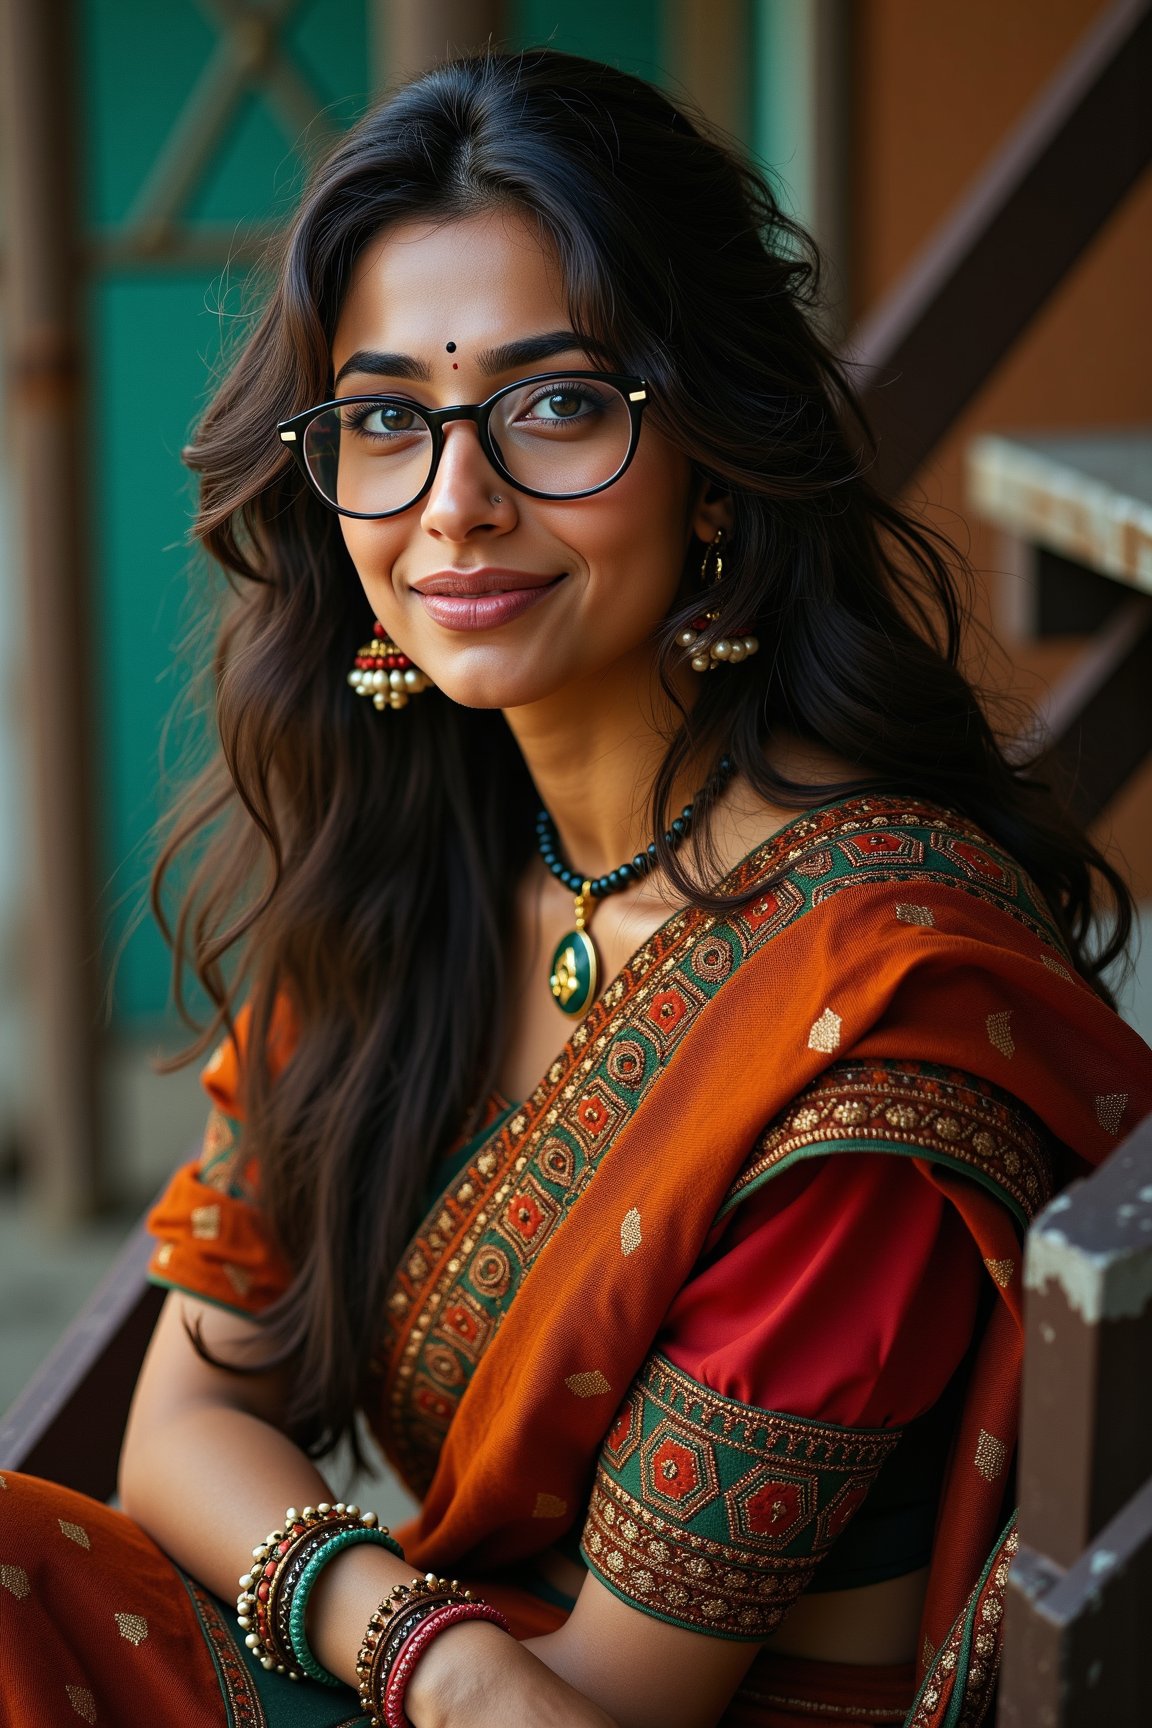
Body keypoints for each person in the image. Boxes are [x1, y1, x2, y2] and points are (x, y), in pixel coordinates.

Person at [3, 47, 1150, 1728]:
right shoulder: (420, 867)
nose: (454, 507)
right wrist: (420, 1639)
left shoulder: (875, 1017)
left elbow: (611, 1698)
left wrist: (390, 1629)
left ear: (712, 452)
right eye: (387, 417)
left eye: (554, 406)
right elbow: (180, 1424)